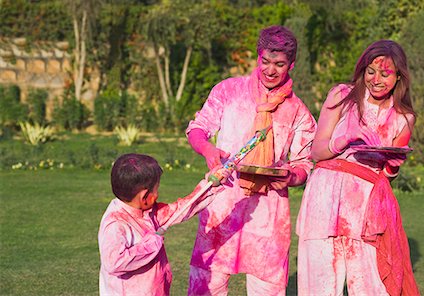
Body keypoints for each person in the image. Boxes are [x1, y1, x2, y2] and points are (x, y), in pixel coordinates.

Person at [185, 25, 317, 295]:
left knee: (267, 288)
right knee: (205, 286)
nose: (270, 70)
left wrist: (290, 177)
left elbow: (305, 164)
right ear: (257, 57)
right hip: (222, 205)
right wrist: (209, 150)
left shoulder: (298, 111)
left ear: (291, 64)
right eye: (265, 61)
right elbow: (197, 129)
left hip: (268, 214)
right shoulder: (228, 90)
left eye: (279, 64)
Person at [296, 39, 420, 295]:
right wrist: (346, 138)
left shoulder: (403, 118)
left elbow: (386, 175)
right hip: (324, 199)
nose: (376, 79)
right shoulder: (342, 95)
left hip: (366, 209)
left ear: (398, 77)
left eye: (385, 74)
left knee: (369, 286)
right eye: (370, 71)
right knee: (319, 284)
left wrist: (393, 168)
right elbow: (317, 152)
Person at [98, 153, 228, 296]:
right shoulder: (116, 224)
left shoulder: (149, 212)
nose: (158, 194)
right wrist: (152, 243)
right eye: (156, 190)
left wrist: (210, 185)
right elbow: (114, 262)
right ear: (145, 197)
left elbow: (182, 209)